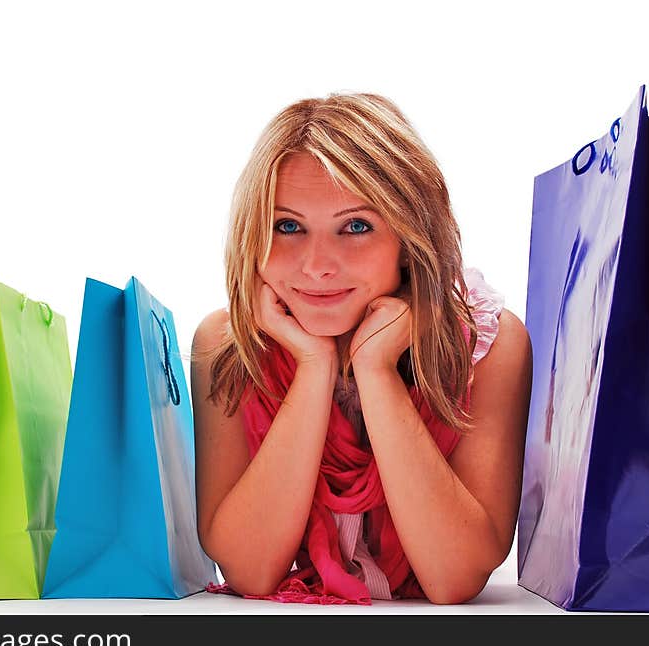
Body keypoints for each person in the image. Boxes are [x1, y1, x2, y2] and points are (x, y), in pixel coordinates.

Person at [190, 92, 533, 605]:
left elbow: (455, 577)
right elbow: (251, 571)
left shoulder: (489, 345)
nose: (317, 265)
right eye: (288, 226)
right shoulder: (227, 347)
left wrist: (376, 371)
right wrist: (313, 366)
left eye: (356, 226)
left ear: (410, 239)